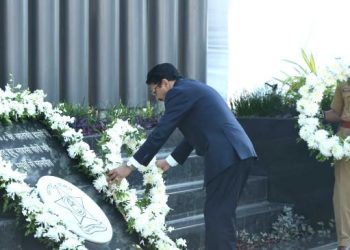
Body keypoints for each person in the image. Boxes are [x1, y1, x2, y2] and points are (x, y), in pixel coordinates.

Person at [107, 63, 257, 250]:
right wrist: (171, 160)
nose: (157, 98)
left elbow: (161, 132)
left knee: (218, 215)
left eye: (154, 92)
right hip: (237, 153)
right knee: (221, 214)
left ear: (164, 83)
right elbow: (197, 130)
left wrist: (129, 166)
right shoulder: (191, 88)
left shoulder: (178, 94)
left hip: (228, 155)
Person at [324, 82, 350, 250]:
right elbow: (336, 112)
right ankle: (344, 242)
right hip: (344, 139)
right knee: (342, 191)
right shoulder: (344, 79)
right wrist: (310, 114)